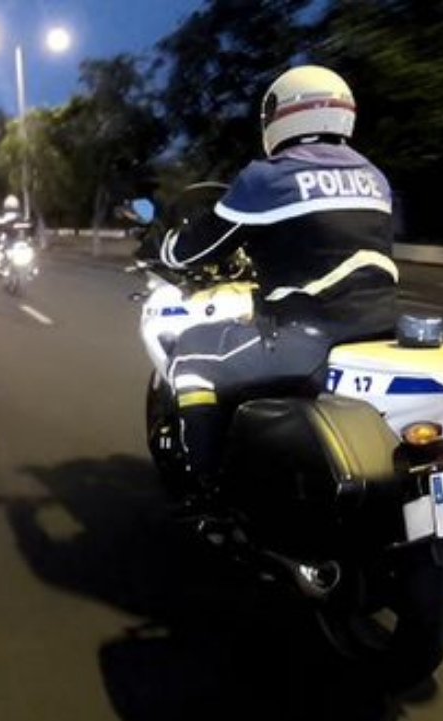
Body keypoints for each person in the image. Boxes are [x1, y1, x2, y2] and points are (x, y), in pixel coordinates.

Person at [158, 65, 398, 488]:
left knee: (190, 355)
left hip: (307, 340)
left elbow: (199, 247)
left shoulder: (271, 177)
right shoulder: (373, 176)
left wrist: (165, 247)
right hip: (377, 332)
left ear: (283, 114)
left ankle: (203, 489)